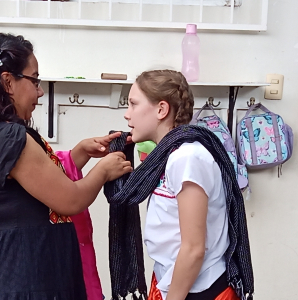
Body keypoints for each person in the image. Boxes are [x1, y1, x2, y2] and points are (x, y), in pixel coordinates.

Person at [0, 33, 132, 300]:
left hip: (12, 273)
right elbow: (69, 200)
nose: (39, 91)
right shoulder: (9, 139)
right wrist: (104, 170)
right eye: (34, 80)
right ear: (8, 82)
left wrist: (79, 153)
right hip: (28, 277)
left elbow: (35, 186)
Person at [104, 69, 254, 300]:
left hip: (198, 289)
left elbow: (194, 250)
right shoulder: (167, 155)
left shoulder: (188, 158)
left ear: (161, 110)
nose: (127, 114)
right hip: (170, 281)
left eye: (133, 104)